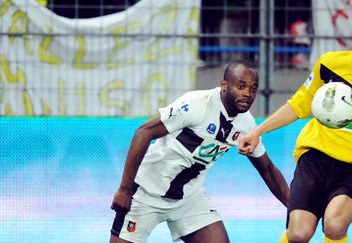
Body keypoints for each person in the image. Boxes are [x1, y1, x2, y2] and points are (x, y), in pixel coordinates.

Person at [238, 13, 352, 243]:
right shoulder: (329, 63)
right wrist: (256, 132)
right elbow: (298, 105)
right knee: (298, 235)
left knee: (334, 224)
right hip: (315, 158)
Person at [110, 60, 290, 243]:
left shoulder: (246, 124)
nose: (247, 94)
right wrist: (125, 189)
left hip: (188, 198)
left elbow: (267, 169)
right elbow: (144, 132)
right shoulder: (196, 104)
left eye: (253, 89)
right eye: (241, 86)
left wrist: (294, 207)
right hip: (146, 193)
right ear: (224, 85)